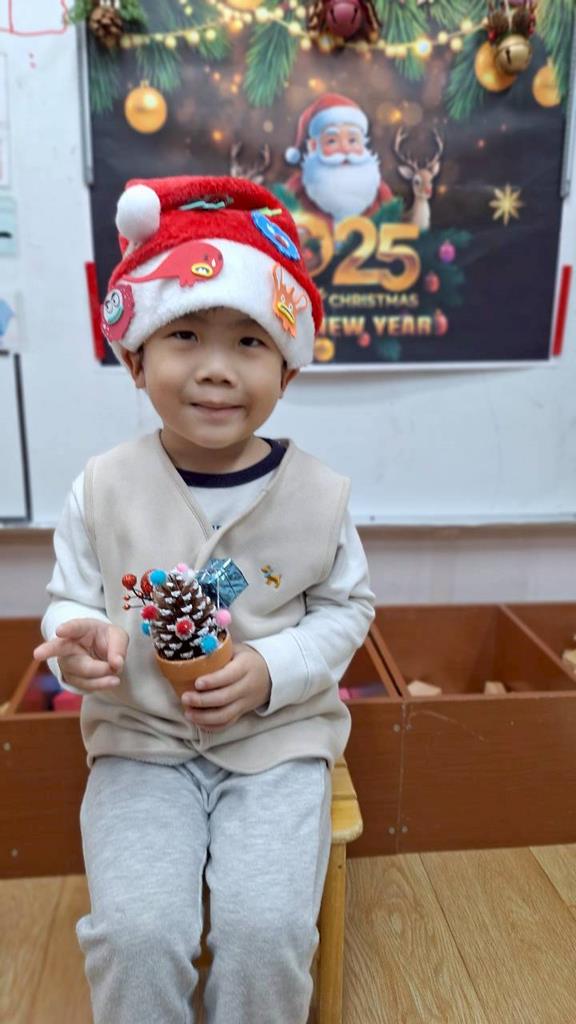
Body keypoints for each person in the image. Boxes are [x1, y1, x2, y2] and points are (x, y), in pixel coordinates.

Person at [34, 174, 375, 1024]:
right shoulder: (101, 488)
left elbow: (347, 611)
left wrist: (271, 667)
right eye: (185, 334)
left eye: (250, 341)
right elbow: (69, 602)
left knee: (266, 932)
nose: (216, 369)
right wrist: (77, 640)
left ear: (287, 370)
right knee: (138, 934)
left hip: (278, 744)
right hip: (141, 742)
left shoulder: (321, 495)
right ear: (136, 358)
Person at [284, 92, 393, 225]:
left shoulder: (376, 186)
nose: (345, 149)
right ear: (313, 146)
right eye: (332, 141)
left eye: (352, 140)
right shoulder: (300, 184)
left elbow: (392, 214)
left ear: (363, 144)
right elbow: (279, 207)